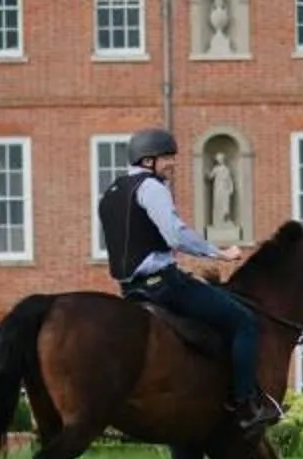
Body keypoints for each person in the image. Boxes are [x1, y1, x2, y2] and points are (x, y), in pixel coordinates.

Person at [97, 125, 278, 436]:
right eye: (167, 158)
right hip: (163, 286)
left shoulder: (112, 192)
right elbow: (175, 234)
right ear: (148, 160)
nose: (173, 165)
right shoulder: (151, 188)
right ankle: (246, 405)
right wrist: (219, 254)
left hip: (130, 289)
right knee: (243, 321)